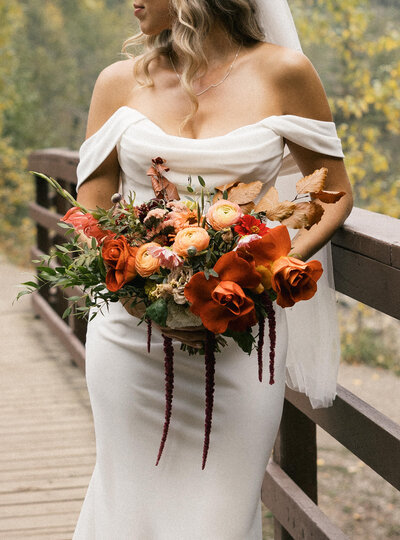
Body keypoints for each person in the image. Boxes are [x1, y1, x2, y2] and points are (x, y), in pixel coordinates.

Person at [72, 0, 353, 538]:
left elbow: (334, 193)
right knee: (127, 503)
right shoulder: (116, 83)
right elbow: (91, 211)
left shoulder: (284, 73)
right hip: (132, 337)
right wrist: (140, 280)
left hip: (242, 331)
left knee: (219, 515)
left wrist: (272, 269)